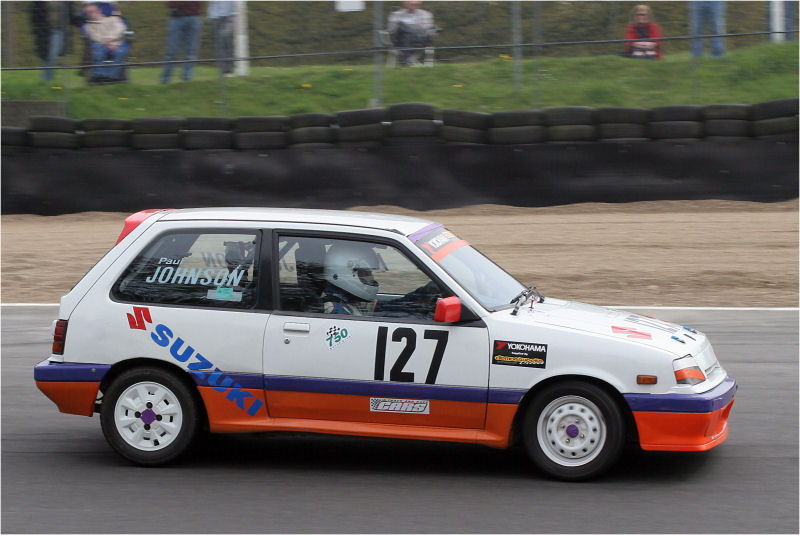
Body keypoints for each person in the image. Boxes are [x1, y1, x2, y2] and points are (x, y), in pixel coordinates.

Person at [320, 242, 380, 316]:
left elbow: (384, 307)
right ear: (347, 272)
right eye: (366, 273)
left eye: (370, 273)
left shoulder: (351, 299)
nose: (371, 278)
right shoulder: (333, 309)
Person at [31, 2, 81, 82]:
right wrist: (37, 30)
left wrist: (80, 20)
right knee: (50, 56)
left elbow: (69, 15)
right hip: (46, 32)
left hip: (60, 31)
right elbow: (35, 15)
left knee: (51, 56)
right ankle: (46, 81)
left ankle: (47, 81)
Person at [82, 2, 128, 84]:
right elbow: (95, 37)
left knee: (120, 52)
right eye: (88, 13)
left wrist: (111, 39)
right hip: (100, 45)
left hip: (115, 44)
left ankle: (112, 77)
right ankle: (100, 76)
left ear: (99, 10)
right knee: (98, 51)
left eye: (92, 11)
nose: (91, 14)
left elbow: (120, 29)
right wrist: (108, 42)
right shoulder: (88, 26)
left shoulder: (112, 19)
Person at [160, 1, 203, 84]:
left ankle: (187, 79)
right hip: (177, 17)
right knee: (171, 52)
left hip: (194, 16)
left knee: (191, 51)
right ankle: (165, 79)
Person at [387, 1, 436, 66]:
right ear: (404, 2)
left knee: (408, 30)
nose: (414, 3)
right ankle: (409, 60)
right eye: (411, 1)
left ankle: (407, 61)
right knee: (401, 26)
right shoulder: (396, 14)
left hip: (419, 40)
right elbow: (392, 30)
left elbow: (426, 30)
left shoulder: (425, 14)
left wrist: (411, 30)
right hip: (400, 41)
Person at [208, 1, 236, 77]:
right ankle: (223, 70)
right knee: (219, 44)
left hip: (229, 16)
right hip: (216, 16)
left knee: (227, 43)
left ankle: (228, 70)